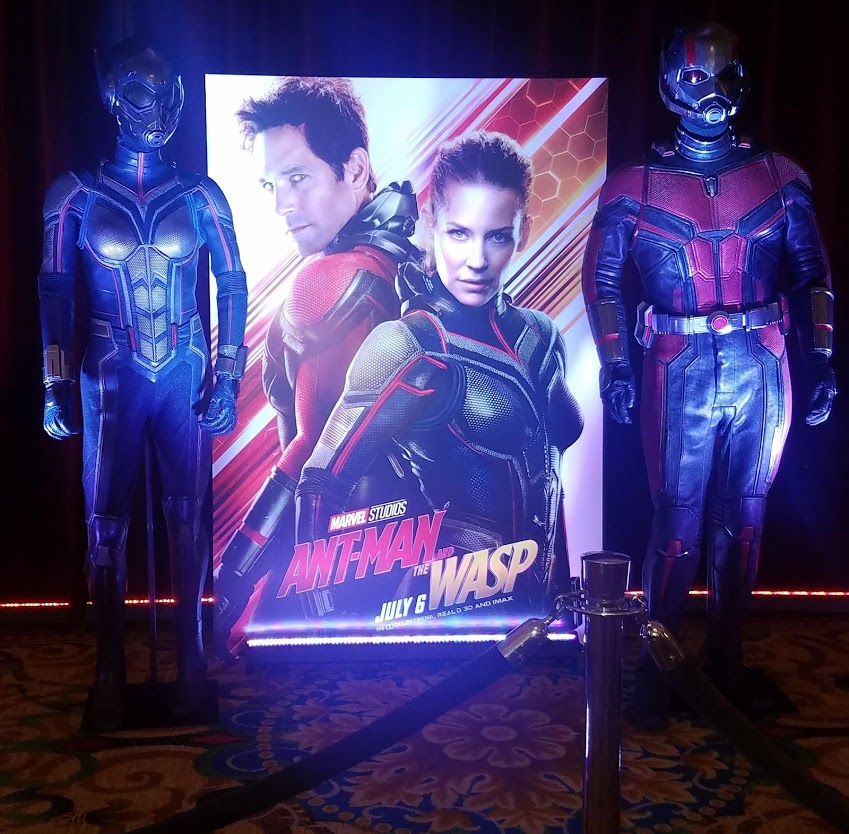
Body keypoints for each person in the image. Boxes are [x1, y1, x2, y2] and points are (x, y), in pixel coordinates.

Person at [581, 22, 836, 729]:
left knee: (745, 521)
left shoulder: (780, 178)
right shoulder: (633, 185)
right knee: (675, 526)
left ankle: (726, 660)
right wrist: (616, 363)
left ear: (743, 83)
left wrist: (820, 357)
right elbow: (602, 282)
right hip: (678, 365)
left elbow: (813, 276)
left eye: (725, 77)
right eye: (695, 78)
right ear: (669, 86)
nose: (712, 93)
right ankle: (654, 668)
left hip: (763, 361)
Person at [38, 41, 249, 730]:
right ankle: (109, 669)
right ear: (112, 96)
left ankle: (191, 661)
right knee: (105, 525)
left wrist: (228, 374)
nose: (152, 109)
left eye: (163, 94)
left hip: (184, 368)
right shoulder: (75, 193)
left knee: (188, 519)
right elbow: (55, 289)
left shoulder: (200, 195)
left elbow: (232, 282)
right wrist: (54, 380)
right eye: (137, 92)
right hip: (110, 372)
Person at [294, 130, 584, 621]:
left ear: (523, 232)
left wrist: (559, 602)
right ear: (431, 225)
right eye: (459, 233)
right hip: (442, 610)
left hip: (534, 609)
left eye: (497, 236)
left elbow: (548, 474)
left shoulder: (542, 336)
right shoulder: (408, 345)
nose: (478, 260)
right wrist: (320, 620)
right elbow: (321, 482)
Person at [213, 77, 420, 655]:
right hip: (414, 562)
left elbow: (311, 448)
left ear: (355, 169)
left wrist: (235, 574)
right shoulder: (415, 262)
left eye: (297, 177)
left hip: (346, 554)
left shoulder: (334, 279)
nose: (282, 204)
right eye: (271, 184)